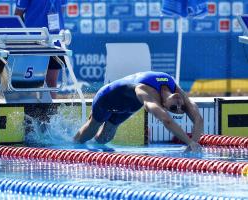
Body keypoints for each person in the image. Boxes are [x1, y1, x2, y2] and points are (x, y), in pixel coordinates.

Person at [74, 71, 203, 152]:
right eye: (174, 109)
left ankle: (93, 150)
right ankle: (72, 144)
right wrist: (190, 142)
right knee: (90, 131)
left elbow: (198, 118)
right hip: (107, 99)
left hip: (127, 108)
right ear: (163, 105)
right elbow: (166, 120)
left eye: (177, 108)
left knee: (104, 139)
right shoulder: (146, 91)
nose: (180, 106)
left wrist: (194, 143)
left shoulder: (174, 92)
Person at [15, 0, 67, 98]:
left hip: (54, 41)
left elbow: (62, 9)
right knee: (32, 80)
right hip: (34, 42)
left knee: (52, 82)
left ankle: (52, 112)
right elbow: (18, 15)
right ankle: (31, 111)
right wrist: (27, 35)